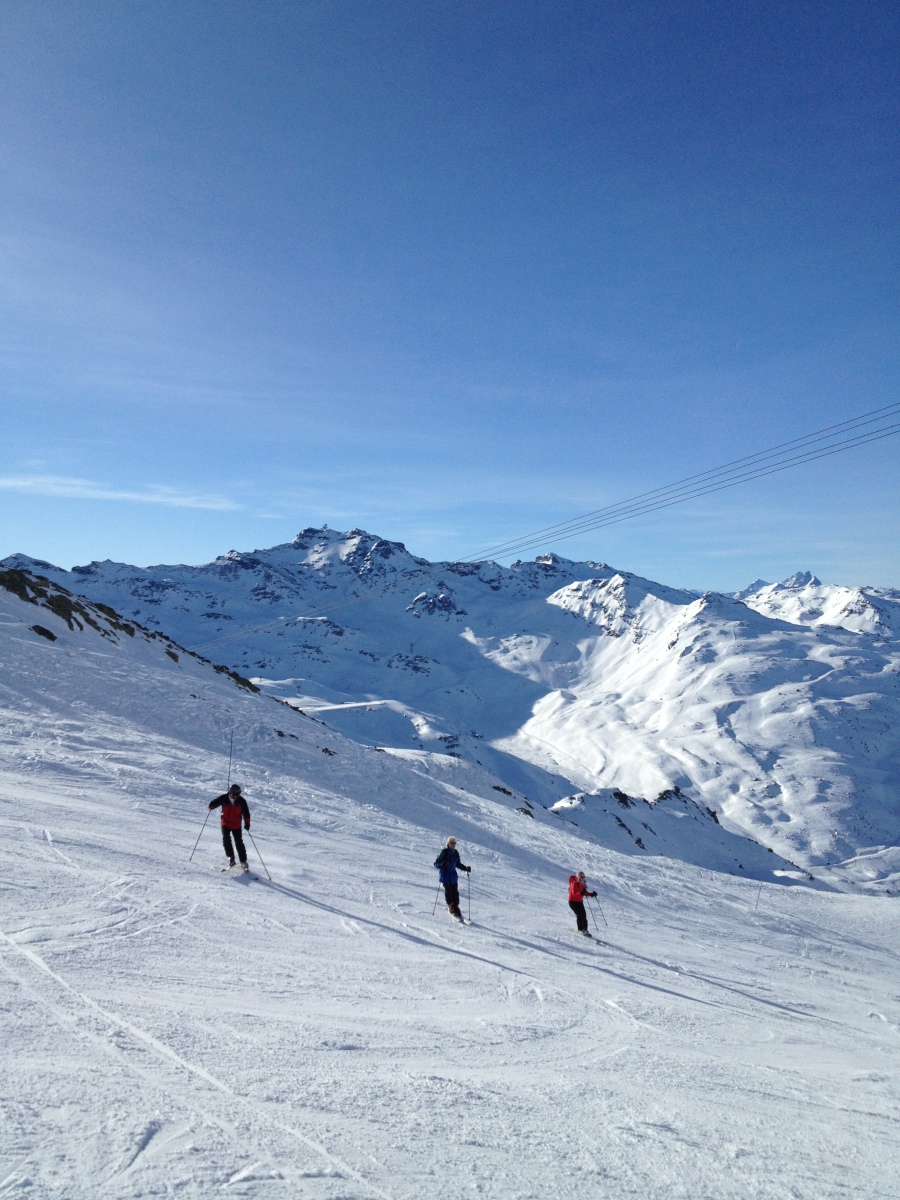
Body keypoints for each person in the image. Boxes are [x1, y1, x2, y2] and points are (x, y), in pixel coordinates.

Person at [209, 783, 251, 872]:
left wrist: (247, 823)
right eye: (236, 794)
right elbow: (213, 803)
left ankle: (243, 861)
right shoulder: (224, 798)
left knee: (239, 842)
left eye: (238, 794)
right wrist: (212, 805)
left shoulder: (241, 801)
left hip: (236, 825)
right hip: (225, 823)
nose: (237, 796)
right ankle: (231, 858)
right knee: (226, 840)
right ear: (231, 793)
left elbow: (246, 813)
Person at [434, 837, 471, 922]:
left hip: (453, 877)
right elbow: (436, 863)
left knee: (455, 893)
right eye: (452, 843)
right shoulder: (444, 852)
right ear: (448, 843)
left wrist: (465, 868)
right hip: (445, 876)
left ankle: (456, 907)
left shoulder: (456, 853)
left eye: (454, 843)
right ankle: (451, 906)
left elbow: (457, 864)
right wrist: (441, 865)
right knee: (449, 892)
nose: (453, 845)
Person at [568, 871, 597, 937]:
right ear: (578, 877)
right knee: (579, 914)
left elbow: (585, 892)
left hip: (579, 901)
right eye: (582, 877)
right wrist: (581, 893)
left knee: (584, 914)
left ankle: (585, 929)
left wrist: (591, 894)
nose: (583, 878)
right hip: (572, 902)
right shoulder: (574, 883)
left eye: (584, 877)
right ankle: (580, 929)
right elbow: (574, 894)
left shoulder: (583, 884)